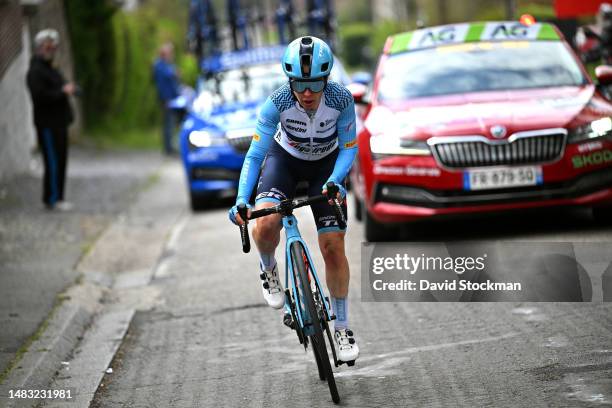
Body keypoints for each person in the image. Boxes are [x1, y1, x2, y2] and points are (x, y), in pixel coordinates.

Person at [229, 36, 359, 363]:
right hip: (284, 161)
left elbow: (349, 147)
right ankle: (268, 267)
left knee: (333, 246)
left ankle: (342, 328)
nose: (307, 93)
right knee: (265, 221)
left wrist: (334, 181)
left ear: (326, 79)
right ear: (290, 81)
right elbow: (255, 154)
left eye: (315, 84)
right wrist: (242, 199)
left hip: (326, 168)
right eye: (300, 84)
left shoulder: (342, 100)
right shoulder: (278, 102)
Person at [26, 28, 75, 211]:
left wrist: (69, 89)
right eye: (47, 48)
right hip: (47, 123)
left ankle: (59, 196)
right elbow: (40, 96)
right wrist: (61, 92)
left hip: (60, 122)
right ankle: (51, 198)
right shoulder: (35, 71)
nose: (50, 51)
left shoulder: (52, 69)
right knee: (52, 161)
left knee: (61, 160)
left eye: (52, 48)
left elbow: (60, 86)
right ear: (39, 48)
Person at [153, 42, 181, 155]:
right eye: (169, 53)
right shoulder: (160, 66)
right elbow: (164, 81)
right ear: (164, 54)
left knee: (170, 123)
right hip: (167, 99)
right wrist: (165, 99)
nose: (171, 55)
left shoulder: (166, 64)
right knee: (168, 123)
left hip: (171, 99)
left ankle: (169, 146)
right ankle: (168, 148)